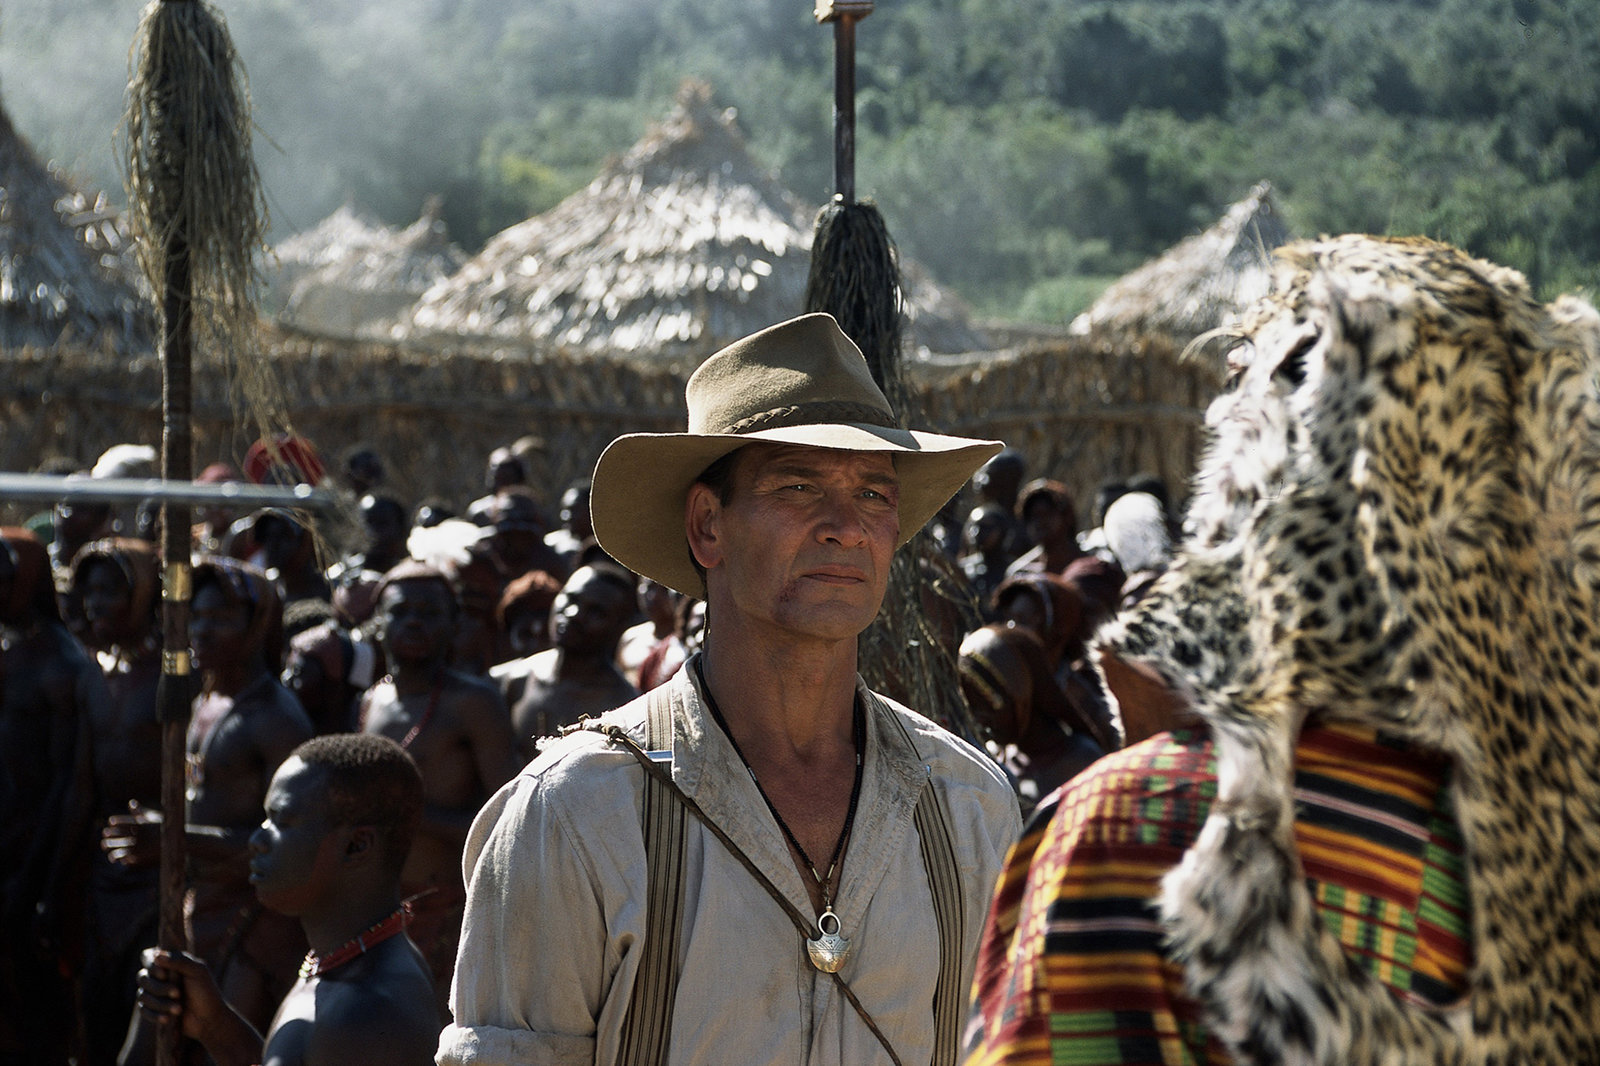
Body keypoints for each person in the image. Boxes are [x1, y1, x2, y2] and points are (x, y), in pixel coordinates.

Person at [438, 312, 1022, 1066]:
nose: (846, 527)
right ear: (708, 525)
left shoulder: (967, 806)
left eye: (875, 495)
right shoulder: (577, 814)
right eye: (798, 485)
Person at [105, 557, 315, 1060]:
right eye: (195, 616)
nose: (201, 629)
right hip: (196, 907)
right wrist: (161, 831)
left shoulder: (275, 718)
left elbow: (291, 846)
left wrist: (172, 840)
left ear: (256, 624)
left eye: (220, 617)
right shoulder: (204, 700)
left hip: (251, 923)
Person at [135, 733, 439, 1066]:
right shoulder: (339, 962)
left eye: (282, 822)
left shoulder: (364, 1015)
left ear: (357, 846)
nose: (257, 839)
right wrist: (215, 1027)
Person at [358, 561, 520, 1017]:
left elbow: (509, 822)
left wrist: (410, 815)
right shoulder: (371, 701)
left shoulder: (474, 702)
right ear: (378, 622)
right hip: (376, 909)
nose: (414, 621)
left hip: (447, 909)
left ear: (454, 623)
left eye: (429, 612)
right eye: (400, 611)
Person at [0, 527, 109, 1065]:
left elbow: (69, 784)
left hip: (32, 850)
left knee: (34, 1002)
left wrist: (38, 879)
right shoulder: (10, 647)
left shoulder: (62, 665)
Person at [58, 539, 164, 1066]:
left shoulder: (175, 677)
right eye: (89, 591)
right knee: (96, 1008)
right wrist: (58, 878)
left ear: (143, 595)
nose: (95, 604)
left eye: (111, 591)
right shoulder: (92, 675)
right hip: (105, 869)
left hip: (160, 869)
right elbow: (81, 786)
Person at [493, 563, 639, 759]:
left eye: (596, 612)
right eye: (571, 598)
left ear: (620, 626)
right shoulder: (516, 681)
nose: (574, 614)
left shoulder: (624, 706)